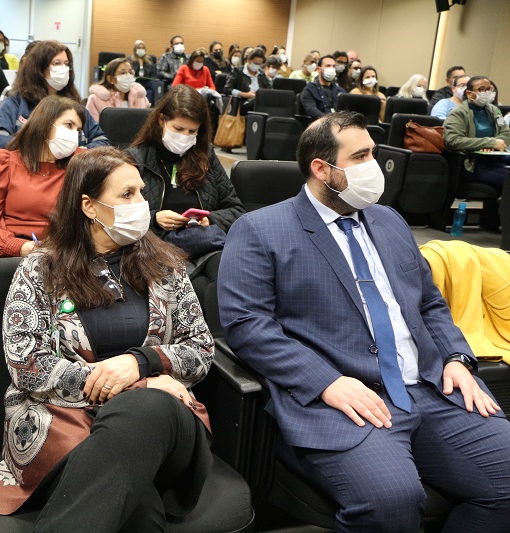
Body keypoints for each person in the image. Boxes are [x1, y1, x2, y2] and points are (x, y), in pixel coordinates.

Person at [218, 110, 510, 532]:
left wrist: (456, 358)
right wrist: (326, 381)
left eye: (372, 152)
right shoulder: (260, 230)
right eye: (360, 157)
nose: (375, 166)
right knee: (392, 501)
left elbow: (429, 302)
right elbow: (248, 326)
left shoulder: (389, 220)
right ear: (322, 169)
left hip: (430, 387)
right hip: (344, 398)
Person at [0, 146, 215, 533]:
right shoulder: (41, 268)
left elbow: (201, 349)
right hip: (67, 424)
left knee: (147, 408)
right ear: (88, 206)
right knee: (139, 514)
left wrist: (139, 363)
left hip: (165, 425)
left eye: (141, 191)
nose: (141, 203)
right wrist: (139, 381)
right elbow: (28, 365)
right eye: (127, 194)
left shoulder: (166, 265)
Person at [127, 84, 244, 289]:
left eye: (192, 131)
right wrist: (155, 218)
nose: (184, 137)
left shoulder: (205, 156)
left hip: (205, 246)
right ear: (162, 120)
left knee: (225, 276)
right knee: (198, 286)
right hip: (156, 246)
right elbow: (119, 214)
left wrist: (210, 219)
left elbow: (236, 210)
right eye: (178, 129)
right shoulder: (136, 158)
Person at [0, 95, 84, 257]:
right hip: (13, 254)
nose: (74, 134)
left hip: (64, 254)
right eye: (69, 125)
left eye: (78, 130)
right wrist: (19, 247)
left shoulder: (81, 163)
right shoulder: (6, 162)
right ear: (45, 124)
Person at [0, 39, 109, 153]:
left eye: (66, 64)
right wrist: (44, 151)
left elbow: (102, 141)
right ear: (39, 69)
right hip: (30, 165)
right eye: (57, 63)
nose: (64, 69)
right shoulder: (14, 104)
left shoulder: (75, 106)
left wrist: (77, 154)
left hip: (70, 166)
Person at [444, 76, 510, 196]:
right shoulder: (458, 113)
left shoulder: (494, 111)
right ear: (469, 94)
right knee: (507, 182)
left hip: (494, 160)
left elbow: (505, 132)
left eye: (489, 89)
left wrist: (495, 144)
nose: (487, 93)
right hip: (470, 164)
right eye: (481, 89)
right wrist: (489, 143)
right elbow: (453, 140)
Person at [86, 57, 149, 122]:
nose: (128, 76)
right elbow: (92, 126)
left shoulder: (141, 99)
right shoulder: (95, 99)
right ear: (110, 79)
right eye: (123, 73)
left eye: (130, 72)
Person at [224, 47, 268, 114]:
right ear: (249, 60)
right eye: (255, 63)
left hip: (260, 103)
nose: (257, 66)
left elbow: (268, 89)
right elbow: (227, 89)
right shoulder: (237, 71)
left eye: (260, 64)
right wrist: (244, 94)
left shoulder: (261, 74)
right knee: (256, 104)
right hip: (243, 104)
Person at [300, 54, 344, 119]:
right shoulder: (310, 89)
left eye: (333, 66)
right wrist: (329, 120)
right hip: (319, 123)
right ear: (319, 69)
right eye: (328, 66)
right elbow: (311, 110)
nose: (331, 69)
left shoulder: (340, 91)